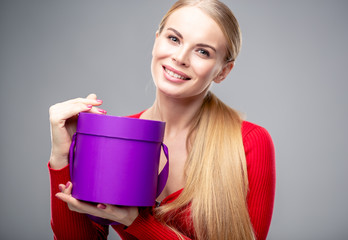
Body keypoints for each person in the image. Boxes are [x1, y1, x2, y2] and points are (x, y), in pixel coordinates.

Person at [48, 0, 276, 239]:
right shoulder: (117, 137)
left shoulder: (249, 142)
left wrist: (136, 222)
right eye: (174, 39)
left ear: (223, 71)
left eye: (203, 51)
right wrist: (62, 158)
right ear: (157, 40)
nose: (180, 57)